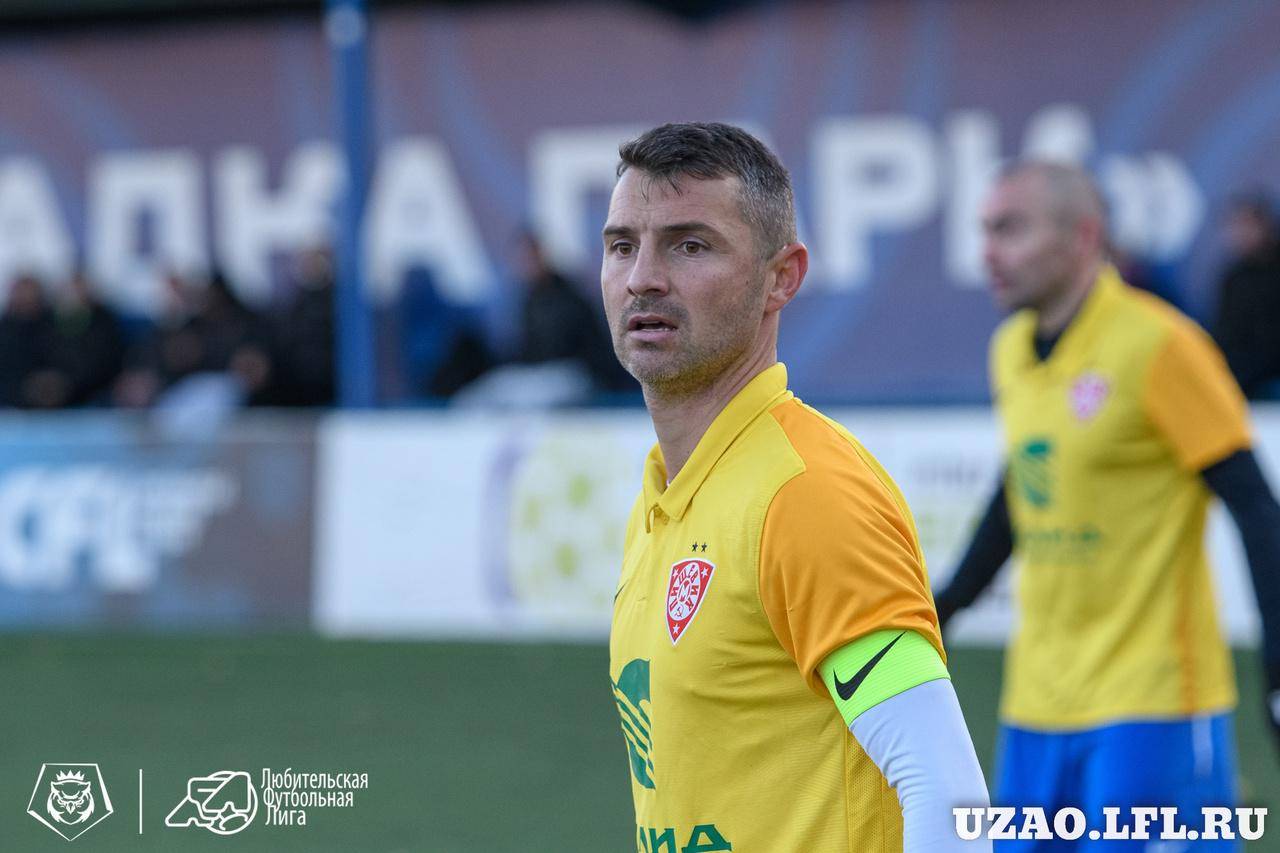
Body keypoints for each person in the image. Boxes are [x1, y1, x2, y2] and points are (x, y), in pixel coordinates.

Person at [602, 122, 990, 852]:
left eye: (690, 245)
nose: (642, 278)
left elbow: (950, 796)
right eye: (623, 245)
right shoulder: (665, 493)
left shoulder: (806, 493)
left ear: (782, 277)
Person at [933, 162, 1280, 849]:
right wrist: (940, 610)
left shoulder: (1162, 344)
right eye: (985, 230)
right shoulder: (1011, 349)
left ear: (1083, 237)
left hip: (1153, 704)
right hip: (1036, 704)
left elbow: (1255, 508)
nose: (988, 252)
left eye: (1010, 229)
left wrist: (1277, 667)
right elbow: (1020, 491)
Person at [1211, 192, 1280, 399]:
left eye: (1247, 225)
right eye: (1235, 226)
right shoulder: (1234, 277)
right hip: (1241, 375)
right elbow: (1225, 333)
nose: (1241, 233)